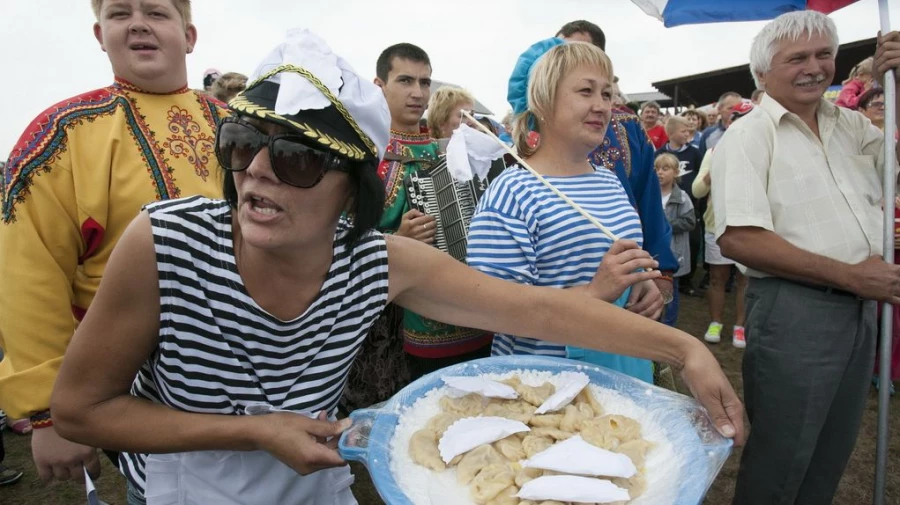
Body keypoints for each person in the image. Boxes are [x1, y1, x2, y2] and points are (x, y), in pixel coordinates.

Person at [49, 31, 744, 505]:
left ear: (355, 188)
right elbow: (80, 409)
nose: (257, 172)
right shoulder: (165, 244)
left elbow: (533, 309)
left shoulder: (377, 263)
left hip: (313, 477)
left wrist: (683, 347)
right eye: (242, 145)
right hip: (184, 482)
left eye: (295, 158)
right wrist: (254, 428)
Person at [0, 0, 227, 484]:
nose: (139, 23)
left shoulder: (235, 126)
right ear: (100, 34)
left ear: (189, 36)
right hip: (134, 387)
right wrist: (49, 410)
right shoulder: (63, 135)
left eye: (157, 12)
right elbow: (28, 272)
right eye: (121, 13)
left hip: (247, 362)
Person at [713, 12, 900, 504]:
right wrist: (853, 276)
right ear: (762, 74)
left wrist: (895, 86)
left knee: (830, 452)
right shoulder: (749, 136)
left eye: (823, 54)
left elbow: (894, 171)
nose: (814, 67)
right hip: (795, 311)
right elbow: (739, 240)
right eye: (796, 58)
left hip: (859, 309)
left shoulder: (853, 126)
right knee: (782, 459)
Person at [468, 41, 664, 383]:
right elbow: (491, 312)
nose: (602, 106)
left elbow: (618, 259)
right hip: (544, 388)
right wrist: (592, 293)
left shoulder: (609, 182)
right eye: (586, 91)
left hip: (623, 371)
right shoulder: (512, 192)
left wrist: (641, 284)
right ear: (543, 102)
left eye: (606, 93)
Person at [543, 27, 678, 313]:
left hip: (630, 291)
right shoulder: (531, 139)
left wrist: (659, 272)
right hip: (557, 304)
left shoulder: (628, 130)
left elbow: (649, 203)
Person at [693, 101, 754, 349]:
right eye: (735, 120)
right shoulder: (713, 152)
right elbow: (697, 190)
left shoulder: (764, 152)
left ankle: (740, 326)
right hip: (716, 224)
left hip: (751, 227)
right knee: (718, 277)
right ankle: (716, 322)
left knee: (745, 279)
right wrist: (712, 171)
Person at [656, 116, 703, 296]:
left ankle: (686, 280)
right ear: (671, 133)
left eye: (688, 131)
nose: (687, 134)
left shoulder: (695, 153)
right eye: (683, 131)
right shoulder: (659, 154)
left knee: (691, 243)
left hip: (688, 204)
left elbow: (699, 175)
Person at [655, 153, 696, 328]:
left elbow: (689, 221)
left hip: (674, 253)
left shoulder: (682, 198)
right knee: (654, 289)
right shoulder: (651, 196)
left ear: (676, 173)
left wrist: (665, 224)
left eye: (665, 169)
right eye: (656, 168)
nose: (659, 172)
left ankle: (669, 326)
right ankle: (654, 325)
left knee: (671, 292)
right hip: (654, 255)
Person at [698, 91, 742, 158]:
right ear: (719, 109)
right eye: (730, 108)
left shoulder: (749, 131)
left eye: (738, 108)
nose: (735, 112)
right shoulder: (708, 134)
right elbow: (702, 163)